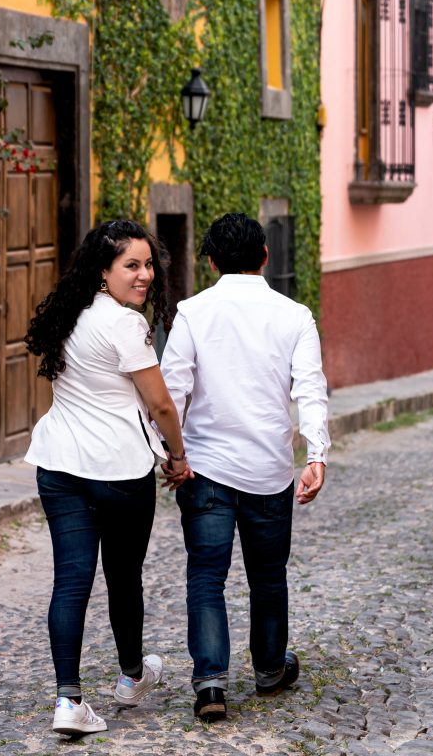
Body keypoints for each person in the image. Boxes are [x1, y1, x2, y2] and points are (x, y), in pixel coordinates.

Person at [24, 219, 192, 738]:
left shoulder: (69, 314)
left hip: (59, 466)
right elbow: (160, 402)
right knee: (123, 577)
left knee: (70, 580)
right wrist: (178, 455)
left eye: (148, 265)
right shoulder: (124, 325)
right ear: (104, 271)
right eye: (131, 266)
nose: (144, 276)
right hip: (118, 471)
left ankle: (68, 699)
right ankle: (131, 677)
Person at [160, 212, 330, 723]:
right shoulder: (295, 315)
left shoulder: (191, 312)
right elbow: (311, 391)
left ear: (210, 261)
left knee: (206, 577)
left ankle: (210, 683)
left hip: (205, 470)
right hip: (269, 470)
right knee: (268, 576)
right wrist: (316, 454)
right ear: (265, 256)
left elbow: (171, 393)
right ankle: (270, 670)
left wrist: (170, 456)